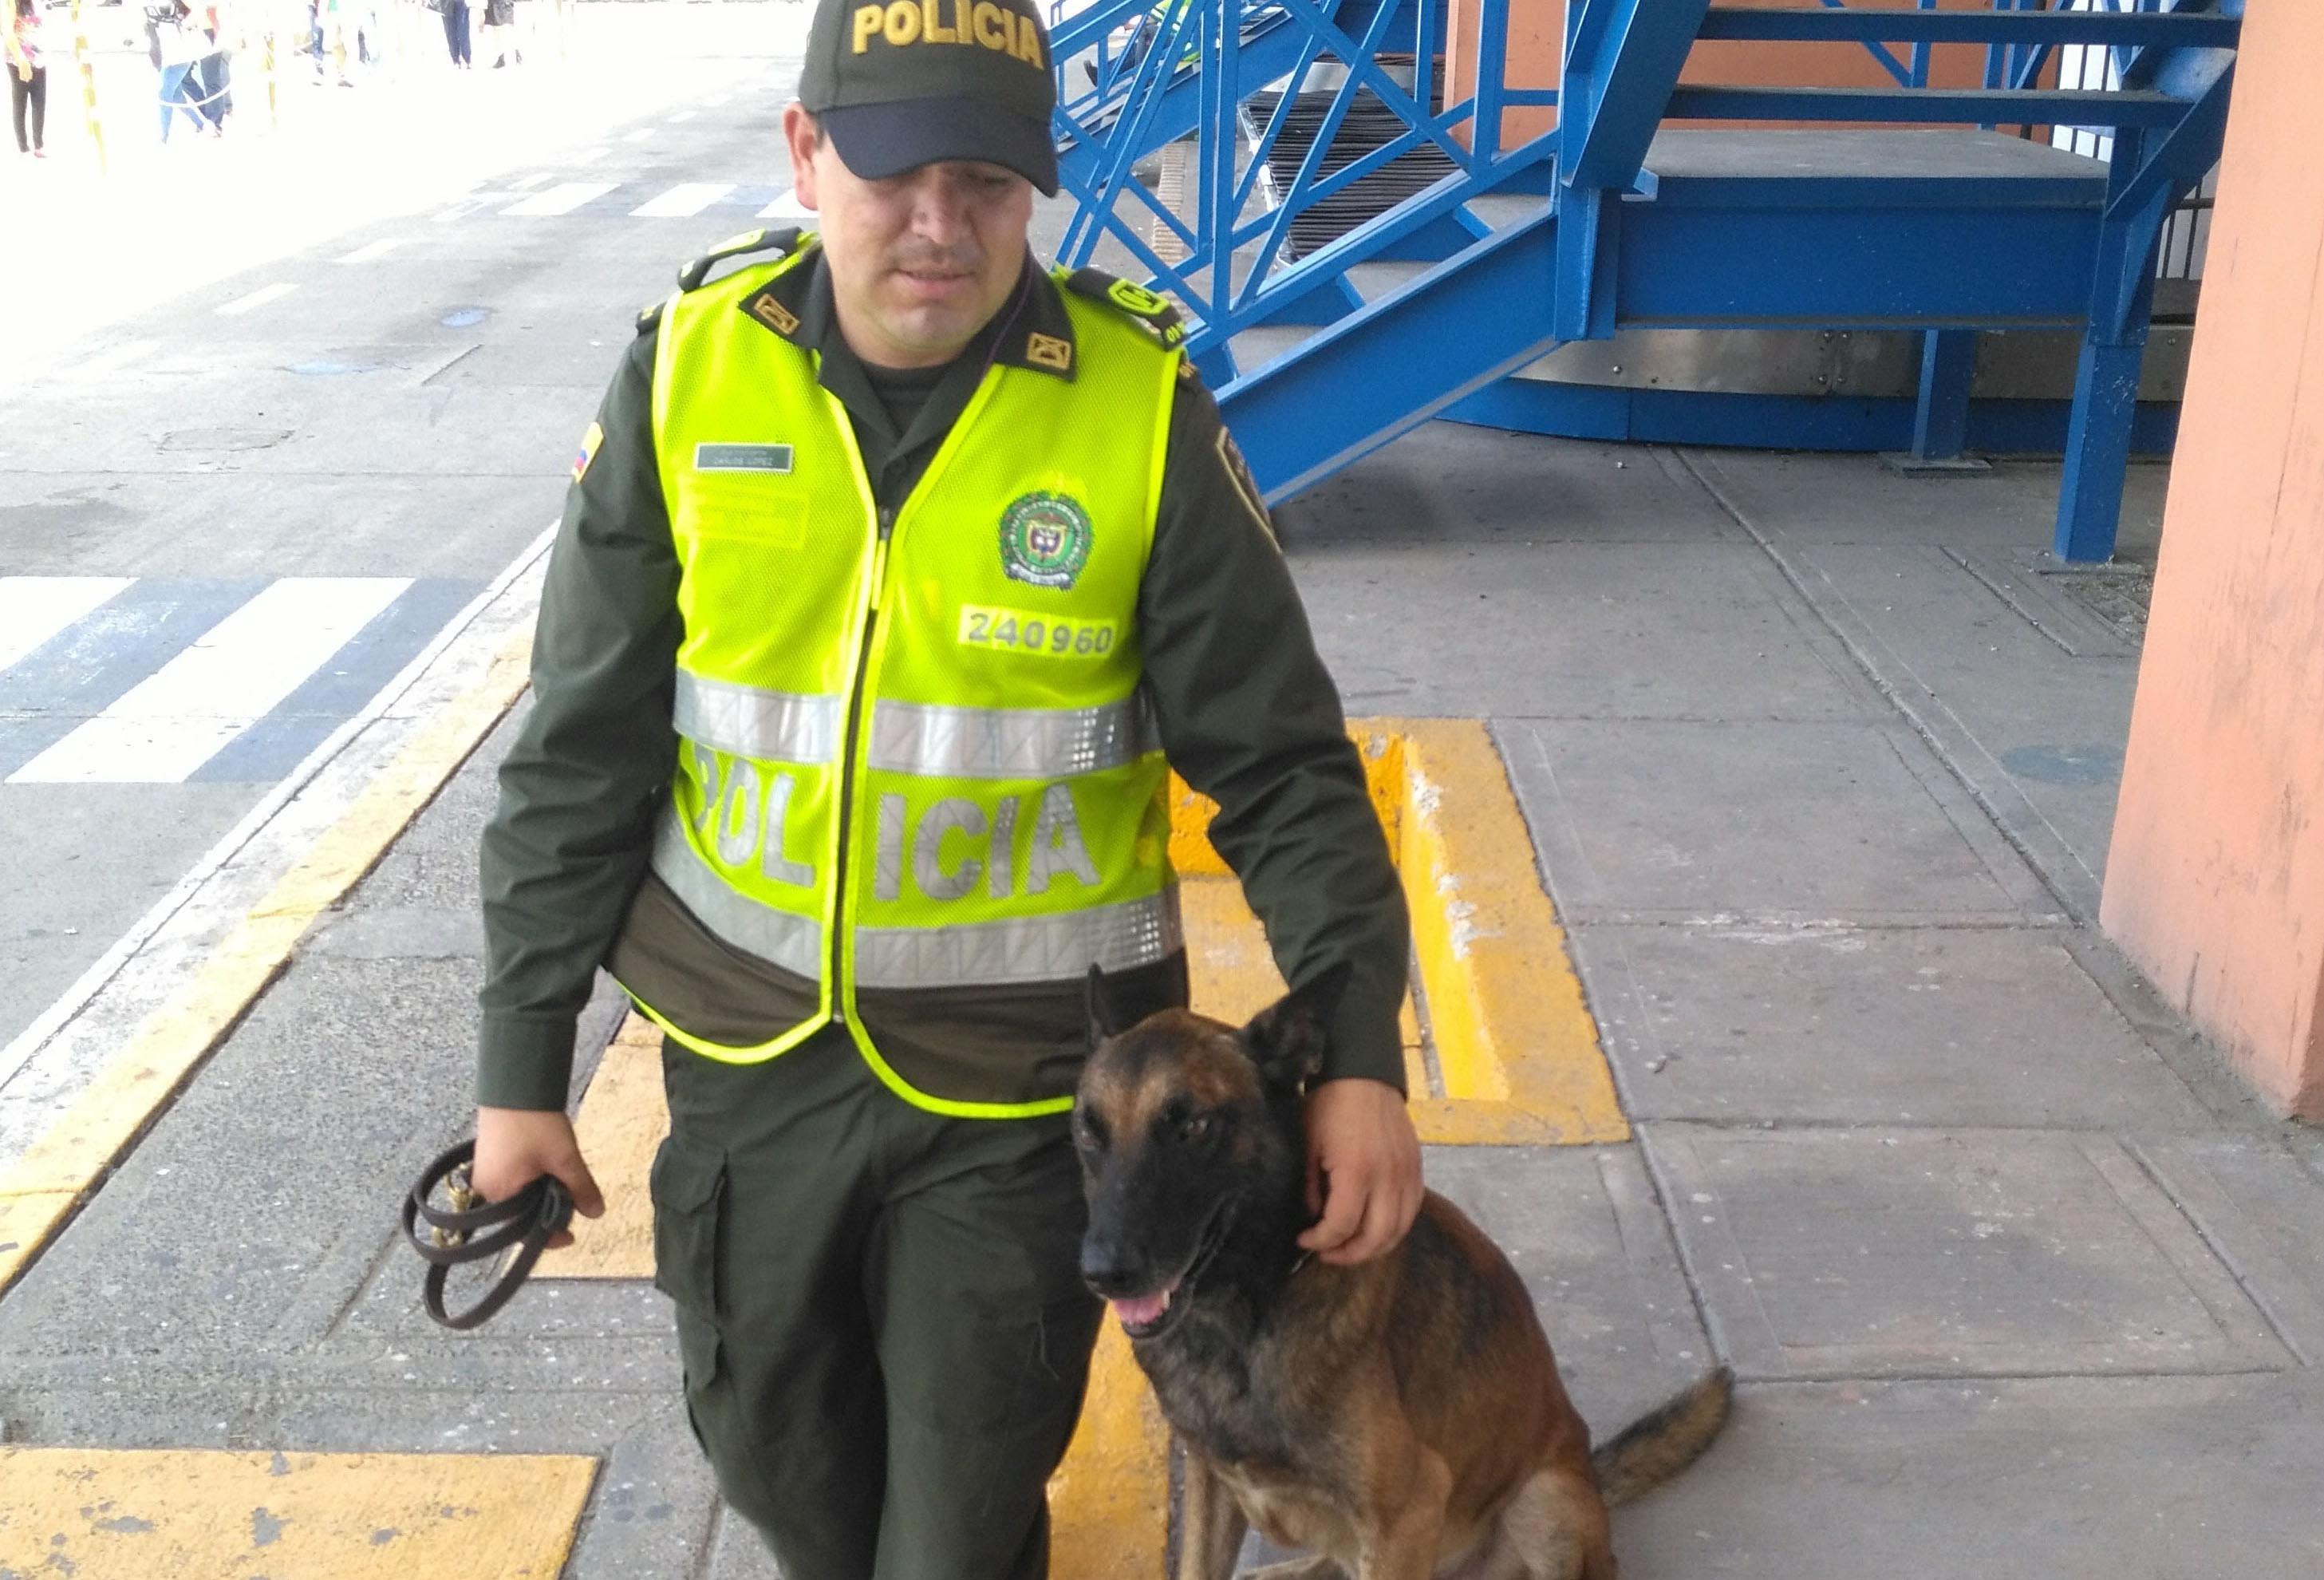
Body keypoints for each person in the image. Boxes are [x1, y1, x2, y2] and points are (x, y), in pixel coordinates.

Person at [468, 0, 1422, 1574]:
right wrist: (521, 1069)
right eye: (894, 175)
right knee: (778, 1469)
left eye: (984, 182)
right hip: (749, 1061)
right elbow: (583, 746)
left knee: (959, 1529)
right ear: (803, 155)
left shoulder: (1131, 409)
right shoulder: (690, 370)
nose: (938, 225)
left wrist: (1359, 1058)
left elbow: (1283, 771)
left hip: (1028, 1091)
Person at [6, 0, 43, 158]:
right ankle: (23, 147)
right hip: (17, 58)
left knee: (39, 100)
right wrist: (20, 59)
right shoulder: (9, 3)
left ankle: (39, 145)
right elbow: (7, 32)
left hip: (38, 55)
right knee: (20, 102)